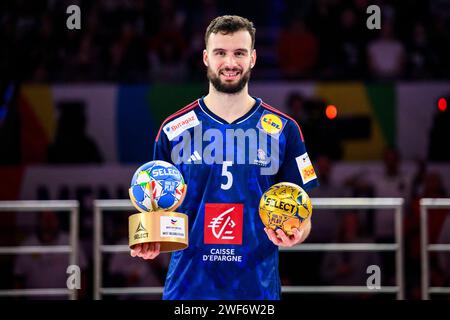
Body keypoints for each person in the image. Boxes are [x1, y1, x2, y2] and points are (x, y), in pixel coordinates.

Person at [130, 15, 319, 300]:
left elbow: (302, 213)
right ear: (206, 57)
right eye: (220, 53)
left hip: (256, 291)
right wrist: (150, 239)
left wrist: (297, 233)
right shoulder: (172, 129)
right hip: (187, 291)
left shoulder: (285, 129)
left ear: (253, 58)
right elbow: (158, 213)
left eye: (239, 53)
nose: (230, 63)